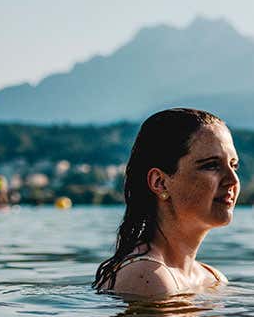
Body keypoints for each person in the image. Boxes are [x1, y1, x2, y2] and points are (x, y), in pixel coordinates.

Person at [94, 108, 239, 297]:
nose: (233, 180)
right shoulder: (147, 276)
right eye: (211, 165)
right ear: (160, 183)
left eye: (234, 165)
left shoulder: (213, 279)